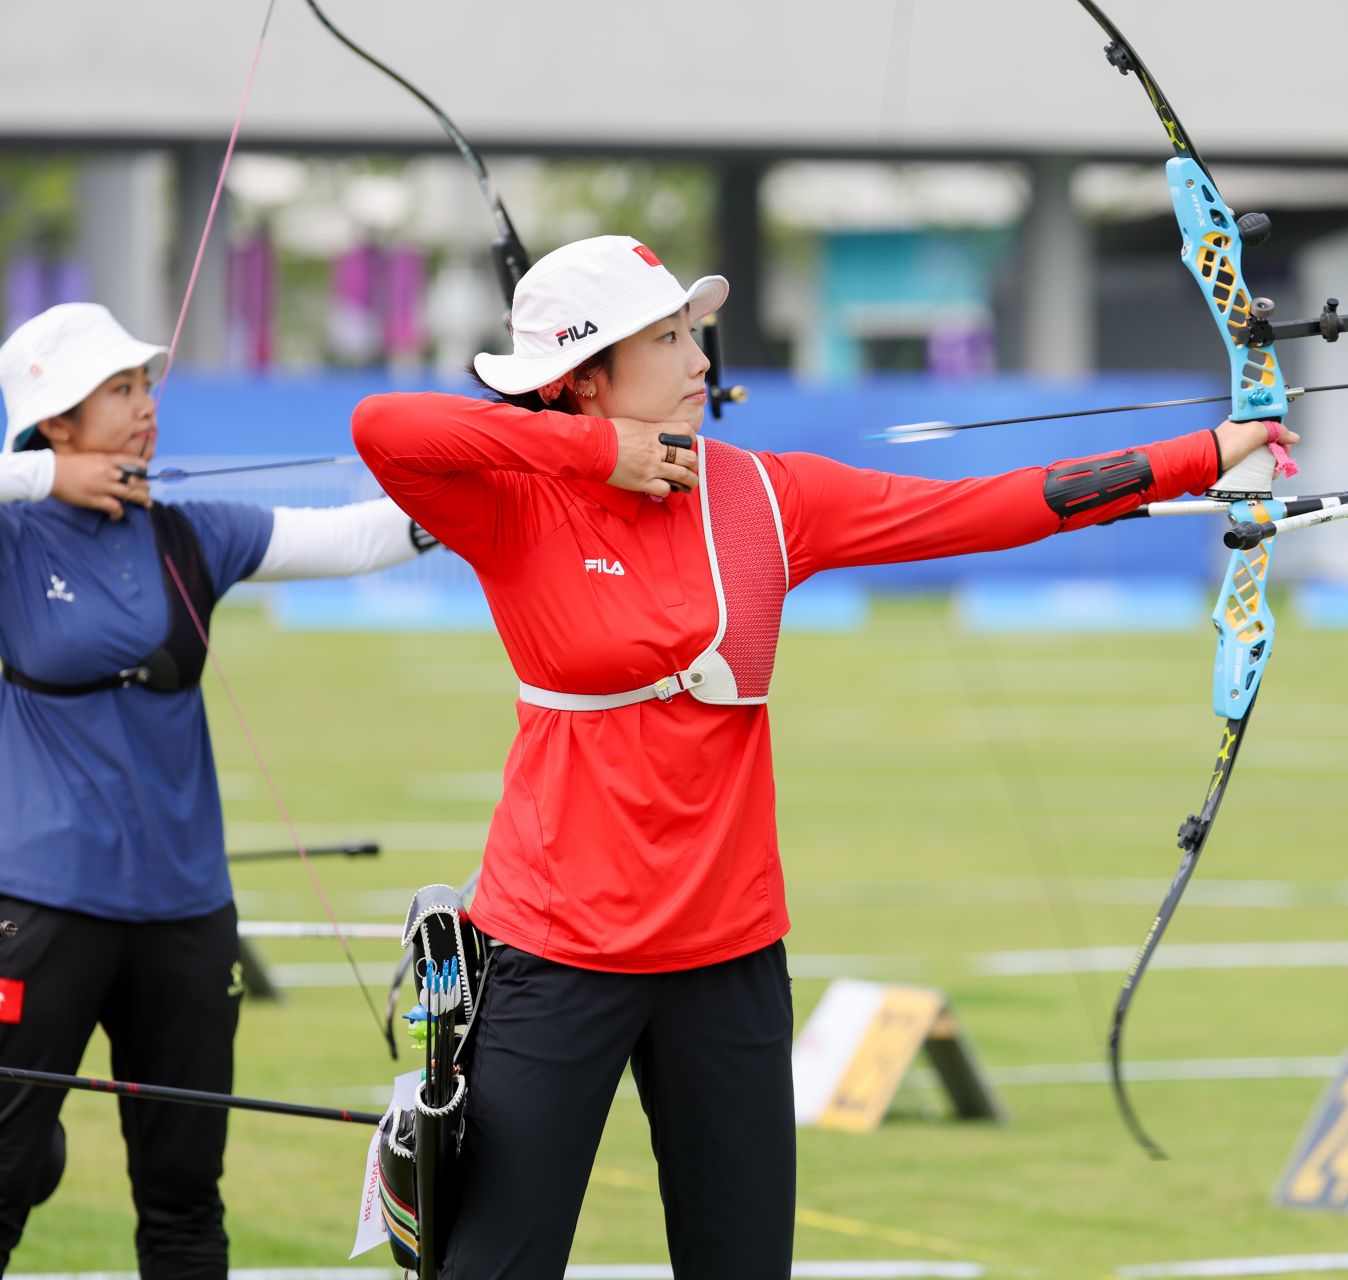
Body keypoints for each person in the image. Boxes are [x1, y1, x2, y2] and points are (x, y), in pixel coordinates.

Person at [349, 234, 1297, 1280]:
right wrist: (594, 454)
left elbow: (987, 508)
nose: (701, 359)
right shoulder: (513, 502)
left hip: (729, 956)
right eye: (667, 338)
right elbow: (383, 425)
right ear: (586, 376)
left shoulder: (763, 495)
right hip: (556, 948)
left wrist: (1212, 450)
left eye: (692, 332)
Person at [0, 302, 448, 1278]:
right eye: (118, 389)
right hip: (42, 906)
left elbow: (358, 536)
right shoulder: (15, 538)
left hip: (186, 915)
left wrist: (504, 474)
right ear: (56, 419)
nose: (146, 405)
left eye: (145, 382)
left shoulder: (189, 534)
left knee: (185, 1201)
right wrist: (41, 476)